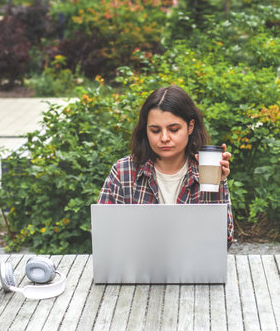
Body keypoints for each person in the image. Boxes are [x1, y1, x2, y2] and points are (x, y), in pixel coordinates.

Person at [98, 85, 234, 248]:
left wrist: (217, 185)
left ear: (190, 127)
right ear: (145, 131)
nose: (164, 138)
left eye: (174, 129)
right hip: (137, 269)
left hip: (193, 271)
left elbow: (223, 241)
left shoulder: (205, 170)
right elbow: (101, 233)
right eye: (155, 131)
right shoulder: (123, 171)